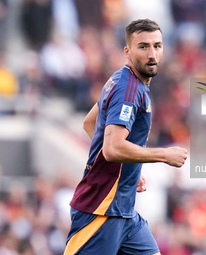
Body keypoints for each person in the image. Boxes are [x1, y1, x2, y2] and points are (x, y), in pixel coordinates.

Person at [63, 19, 188, 255]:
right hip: (100, 210)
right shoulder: (128, 89)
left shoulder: (124, 81)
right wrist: (163, 154)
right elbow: (112, 149)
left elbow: (90, 122)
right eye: (143, 46)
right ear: (127, 52)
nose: (152, 54)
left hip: (125, 210)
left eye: (157, 46)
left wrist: (130, 165)